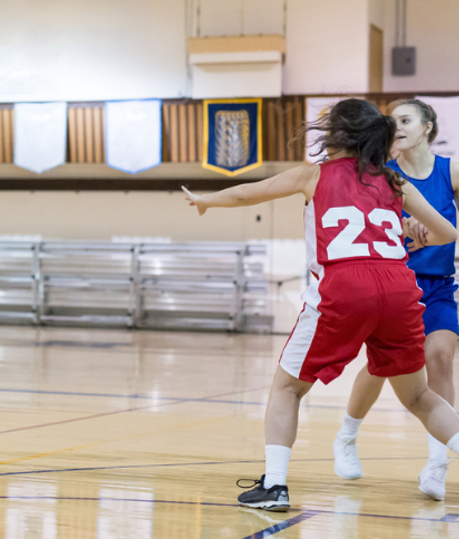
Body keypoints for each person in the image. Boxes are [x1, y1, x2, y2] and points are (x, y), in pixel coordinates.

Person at [181, 98, 459, 511]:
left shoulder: (315, 175)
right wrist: (414, 235)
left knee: (287, 388)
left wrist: (207, 200)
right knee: (419, 398)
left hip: (345, 288)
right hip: (400, 289)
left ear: (336, 136)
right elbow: (447, 232)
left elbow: (247, 195)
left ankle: (274, 486)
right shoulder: (394, 182)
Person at [333, 99, 458, 499]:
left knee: (439, 355)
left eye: (406, 120)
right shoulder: (383, 177)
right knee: (380, 368)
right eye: (393, 122)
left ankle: (437, 464)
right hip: (393, 283)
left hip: (438, 286)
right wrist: (405, 233)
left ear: (427, 127)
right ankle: (347, 435)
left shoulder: (450, 171)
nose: (397, 126)